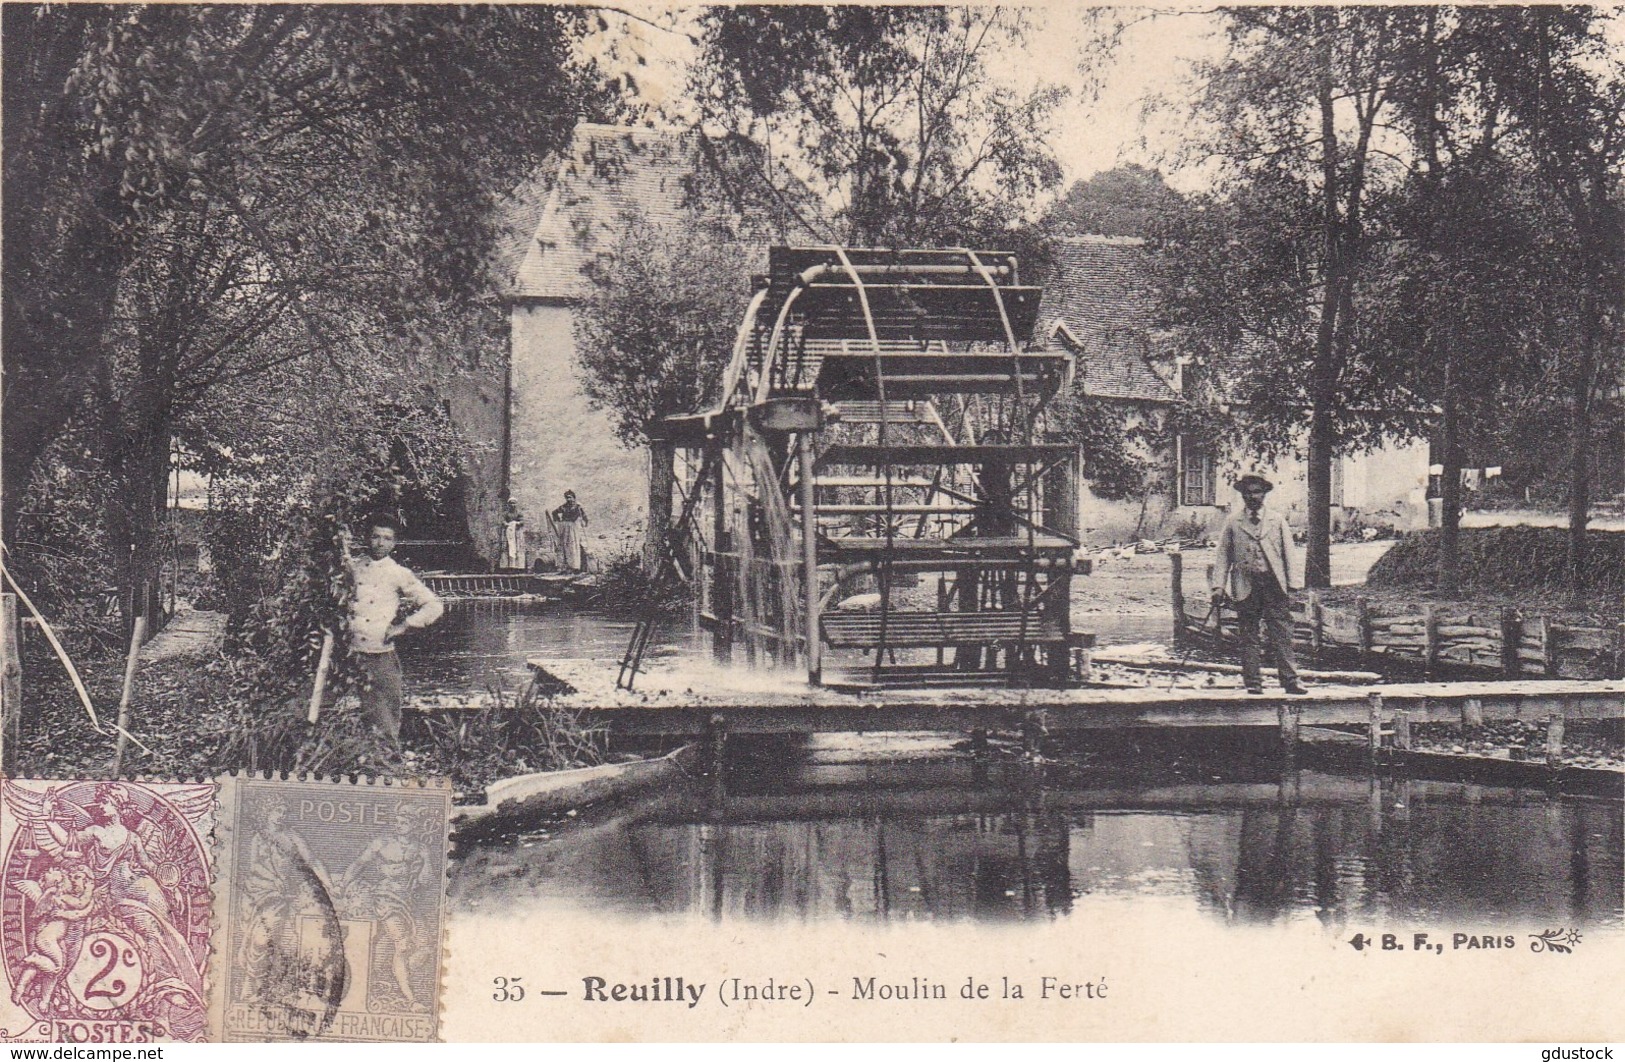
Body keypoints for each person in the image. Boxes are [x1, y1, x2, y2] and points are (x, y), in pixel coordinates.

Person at [347, 515, 443, 744]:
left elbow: (434, 605)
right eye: (375, 537)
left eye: (387, 539)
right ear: (366, 539)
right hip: (346, 650)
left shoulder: (398, 573)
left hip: (378, 651)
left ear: (394, 543)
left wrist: (404, 626)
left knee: (385, 715)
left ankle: (386, 763)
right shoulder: (350, 567)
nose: (380, 543)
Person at [1211, 473, 1307, 696]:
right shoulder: (1233, 522)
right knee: (1249, 635)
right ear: (1242, 495)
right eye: (1248, 492)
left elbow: (1289, 554)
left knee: (1282, 633)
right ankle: (1253, 683)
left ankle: (1290, 681)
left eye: (1256, 492)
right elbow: (1223, 556)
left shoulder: (1277, 520)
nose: (1252, 496)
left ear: (1264, 494)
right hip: (1246, 585)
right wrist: (1218, 586)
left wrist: (1293, 586)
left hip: (1274, 584)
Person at [551, 490, 589, 572]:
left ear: (574, 498)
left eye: (570, 497)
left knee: (573, 545)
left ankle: (575, 566)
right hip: (565, 528)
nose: (569, 499)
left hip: (573, 527)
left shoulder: (578, 507)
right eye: (567, 498)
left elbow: (584, 516)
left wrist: (585, 522)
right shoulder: (563, 507)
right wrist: (559, 521)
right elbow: (554, 512)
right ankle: (566, 565)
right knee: (565, 545)